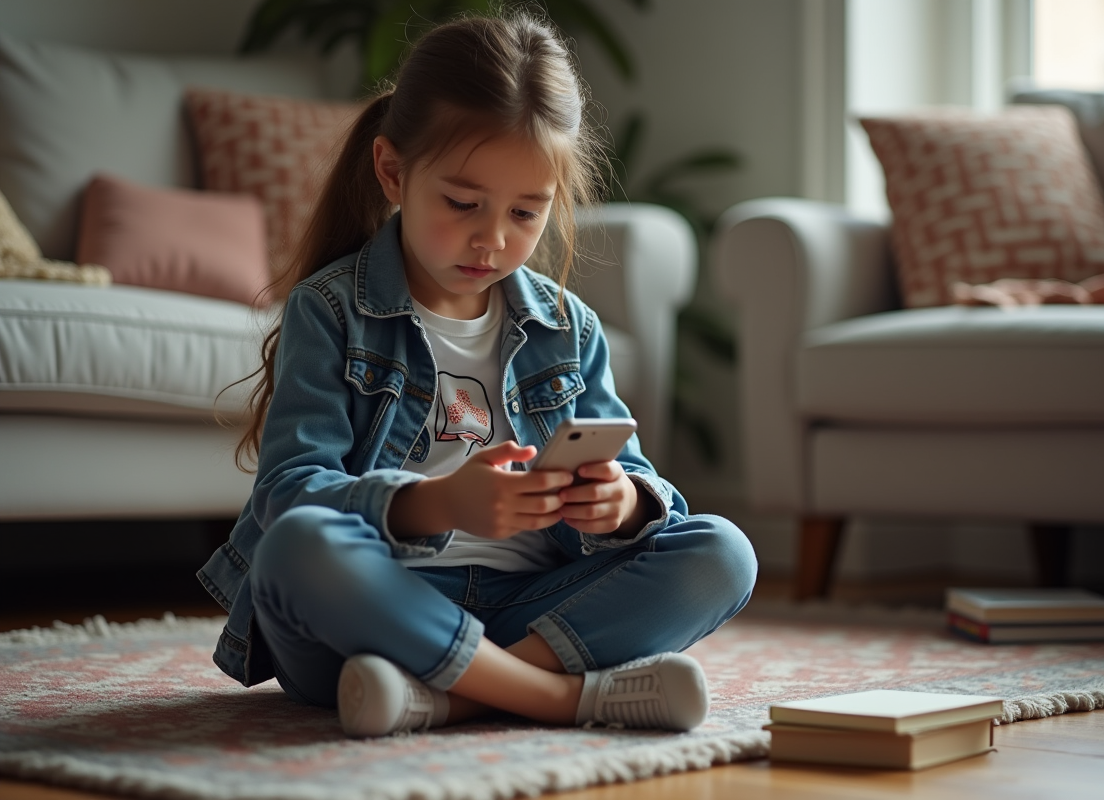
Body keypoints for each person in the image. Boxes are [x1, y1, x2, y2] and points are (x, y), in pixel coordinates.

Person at [198, 11, 757, 738]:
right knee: (298, 548)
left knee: (722, 553)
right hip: (373, 612)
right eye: (462, 203)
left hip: (530, 604)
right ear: (393, 171)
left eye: (526, 212)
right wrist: (439, 505)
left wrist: (619, 505)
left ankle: (444, 697)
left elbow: (645, 492)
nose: (492, 239)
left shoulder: (568, 328)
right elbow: (288, 494)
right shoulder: (333, 310)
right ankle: (554, 697)